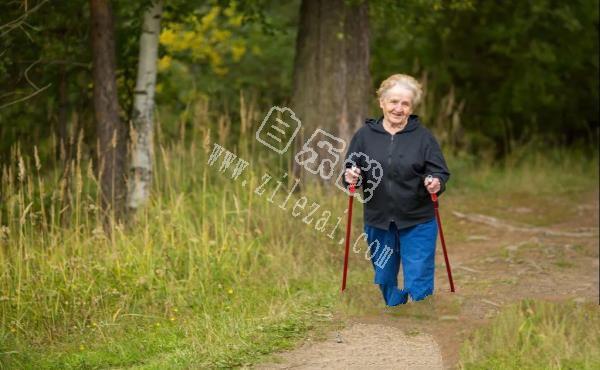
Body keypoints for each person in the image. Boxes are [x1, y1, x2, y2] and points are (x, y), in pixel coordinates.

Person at [343, 73, 450, 306]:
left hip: (418, 218)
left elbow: (440, 172)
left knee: (419, 272)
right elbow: (351, 171)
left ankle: (421, 313)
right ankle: (395, 307)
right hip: (378, 218)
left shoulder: (423, 138)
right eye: (393, 101)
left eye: (405, 103)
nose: (398, 108)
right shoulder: (364, 136)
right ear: (381, 102)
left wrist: (435, 181)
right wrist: (351, 176)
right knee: (384, 274)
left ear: (411, 107)